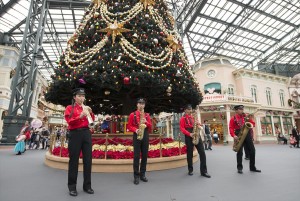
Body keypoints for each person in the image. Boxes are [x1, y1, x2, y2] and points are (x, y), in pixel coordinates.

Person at [64, 88, 95, 196]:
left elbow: (92, 121)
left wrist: (90, 113)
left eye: (83, 96)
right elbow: (69, 121)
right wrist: (80, 116)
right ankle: (72, 187)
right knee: (74, 161)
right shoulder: (69, 108)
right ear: (74, 97)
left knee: (88, 160)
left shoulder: (85, 107)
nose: (82, 98)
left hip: (86, 133)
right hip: (75, 133)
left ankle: (87, 186)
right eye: (79, 96)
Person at [179, 104, 211, 178]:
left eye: (190, 109)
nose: (190, 110)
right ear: (185, 110)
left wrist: (198, 124)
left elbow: (198, 124)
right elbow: (182, 128)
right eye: (189, 109)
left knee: (202, 153)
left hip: (196, 134)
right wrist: (189, 134)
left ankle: (204, 171)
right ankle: (190, 170)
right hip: (189, 135)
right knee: (189, 154)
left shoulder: (193, 117)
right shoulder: (182, 119)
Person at [229, 105, 261, 174]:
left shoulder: (246, 116)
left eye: (242, 109)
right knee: (239, 152)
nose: (242, 110)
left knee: (252, 150)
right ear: (236, 110)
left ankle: (252, 167)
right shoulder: (233, 118)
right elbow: (231, 128)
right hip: (238, 134)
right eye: (240, 109)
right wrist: (234, 135)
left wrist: (249, 120)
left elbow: (253, 124)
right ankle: (239, 168)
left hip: (247, 134)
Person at [127, 98, 152, 185]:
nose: (141, 105)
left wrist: (146, 122)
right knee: (136, 156)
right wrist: (136, 130)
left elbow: (150, 127)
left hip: (145, 134)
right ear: (137, 104)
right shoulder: (132, 114)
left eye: (143, 103)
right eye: (139, 103)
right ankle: (136, 176)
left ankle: (143, 174)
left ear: (144, 105)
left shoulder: (147, 115)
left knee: (145, 155)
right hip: (137, 134)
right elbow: (129, 126)